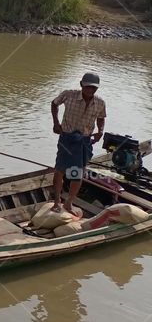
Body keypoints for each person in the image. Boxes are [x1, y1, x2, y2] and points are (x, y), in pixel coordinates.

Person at [50, 72, 106, 215]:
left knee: (76, 173)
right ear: (82, 85)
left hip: (84, 141)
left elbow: (101, 118)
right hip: (67, 138)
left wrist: (100, 131)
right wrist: (56, 123)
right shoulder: (69, 95)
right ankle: (57, 202)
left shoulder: (100, 102)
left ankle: (68, 203)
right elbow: (54, 104)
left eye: (94, 88)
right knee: (60, 170)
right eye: (88, 87)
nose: (90, 90)